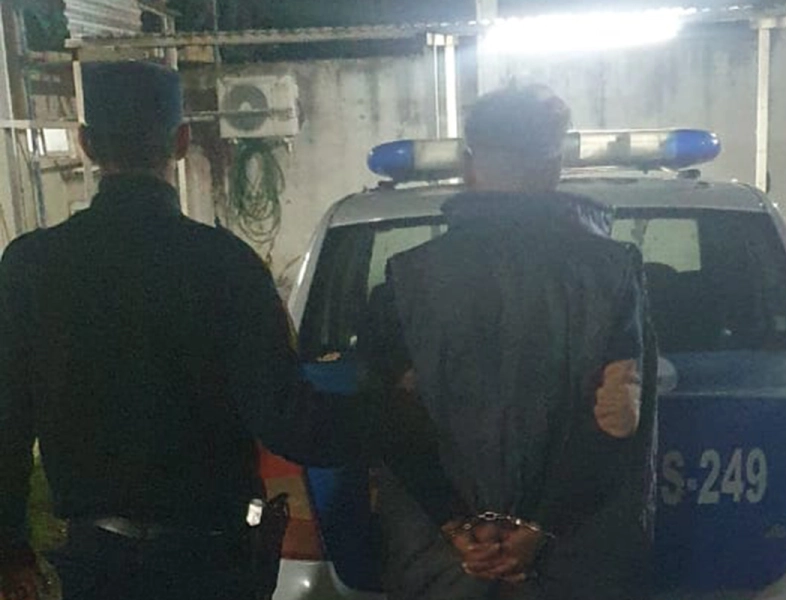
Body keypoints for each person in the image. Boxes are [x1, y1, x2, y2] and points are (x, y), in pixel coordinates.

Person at [0, 61, 361, 600]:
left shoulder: (31, 266)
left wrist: (10, 549)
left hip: (97, 568)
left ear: (87, 145)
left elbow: (7, 420)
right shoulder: (226, 264)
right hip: (211, 565)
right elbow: (286, 421)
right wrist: (396, 415)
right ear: (181, 141)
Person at [363, 85, 658, 600]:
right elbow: (617, 423)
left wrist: (458, 528)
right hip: (574, 569)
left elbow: (393, 422)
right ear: (556, 164)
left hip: (443, 568)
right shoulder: (612, 273)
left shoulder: (406, 279)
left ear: (468, 164)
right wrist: (540, 530)